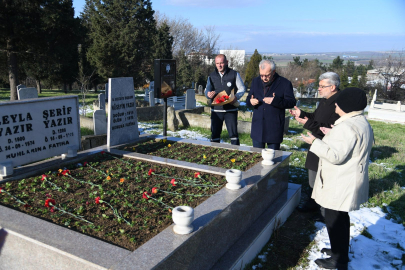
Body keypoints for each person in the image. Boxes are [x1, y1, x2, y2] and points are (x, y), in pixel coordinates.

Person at [301, 87, 373, 270]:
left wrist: (314, 142)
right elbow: (349, 145)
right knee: (341, 219)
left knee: (335, 220)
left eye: (338, 103)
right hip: (348, 180)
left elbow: (335, 156)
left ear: (346, 106)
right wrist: (330, 134)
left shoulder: (347, 127)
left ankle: (338, 260)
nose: (335, 106)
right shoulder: (359, 122)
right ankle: (338, 251)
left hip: (340, 182)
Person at [289, 72, 341, 221]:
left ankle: (324, 212)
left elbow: (328, 127)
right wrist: (302, 113)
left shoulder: (338, 103)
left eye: (322, 86)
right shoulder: (325, 101)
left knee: (323, 181)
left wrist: (306, 123)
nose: (319, 89)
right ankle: (313, 203)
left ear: (332, 87)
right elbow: (316, 118)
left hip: (326, 146)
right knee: (313, 177)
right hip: (316, 143)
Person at [246, 59, 296, 150]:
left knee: (272, 159)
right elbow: (248, 99)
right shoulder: (255, 81)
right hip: (258, 127)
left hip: (274, 127)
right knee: (257, 158)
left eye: (267, 75)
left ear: (274, 71)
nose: (264, 78)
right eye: (261, 75)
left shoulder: (285, 83)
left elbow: (292, 102)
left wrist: (275, 101)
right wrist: (251, 101)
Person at [205, 54, 246, 145]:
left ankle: (236, 155)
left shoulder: (234, 74)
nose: (219, 65)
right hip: (216, 111)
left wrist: (236, 97)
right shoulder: (211, 76)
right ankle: (215, 154)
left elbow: (242, 88)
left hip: (230, 110)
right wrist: (208, 94)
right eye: (217, 63)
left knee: (233, 135)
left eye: (221, 63)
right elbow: (207, 90)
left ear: (226, 62)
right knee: (215, 135)